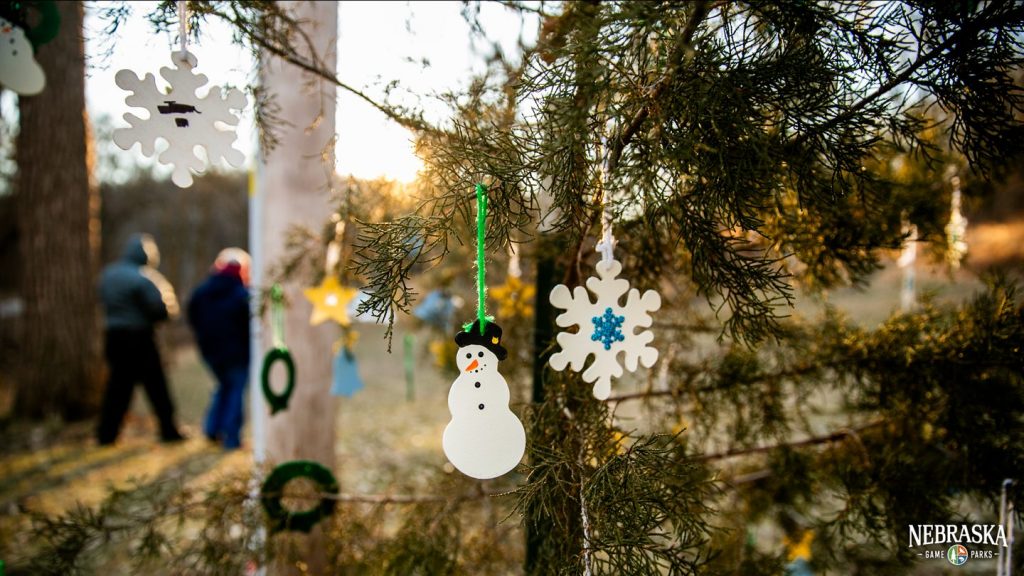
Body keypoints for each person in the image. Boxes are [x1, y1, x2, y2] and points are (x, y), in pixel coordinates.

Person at [97, 234, 184, 445]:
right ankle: (169, 430)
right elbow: (162, 308)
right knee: (156, 386)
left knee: (117, 387)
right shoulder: (145, 278)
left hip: (113, 337)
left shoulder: (108, 275)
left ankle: (106, 434)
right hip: (139, 338)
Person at [187, 248, 251, 450]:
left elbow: (192, 314)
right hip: (236, 352)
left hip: (210, 351)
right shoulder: (242, 294)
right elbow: (247, 323)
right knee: (235, 391)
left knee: (223, 387)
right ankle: (231, 437)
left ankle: (212, 429)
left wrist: (203, 337)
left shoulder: (203, 290)